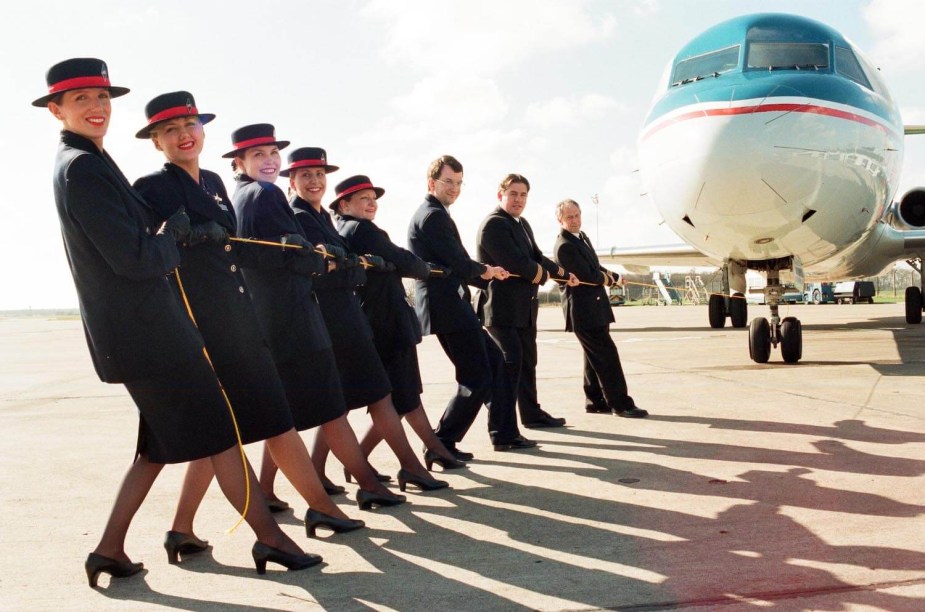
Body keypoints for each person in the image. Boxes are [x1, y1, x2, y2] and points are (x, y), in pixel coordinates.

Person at [35, 59, 320, 585]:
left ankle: (108, 549)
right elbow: (137, 259)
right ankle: (271, 538)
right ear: (56, 109)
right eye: (81, 101)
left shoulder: (88, 160)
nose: (97, 108)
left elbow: (137, 242)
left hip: (140, 333)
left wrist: (170, 233)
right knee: (219, 434)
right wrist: (175, 233)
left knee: (157, 448)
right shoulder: (81, 167)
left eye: (102, 97)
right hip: (148, 334)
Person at [133, 91, 364, 545]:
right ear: (156, 141)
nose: (184, 135)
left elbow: (233, 249)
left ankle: (181, 529)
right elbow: (148, 256)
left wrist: (295, 250)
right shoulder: (151, 188)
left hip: (237, 317)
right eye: (170, 130)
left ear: (203, 130)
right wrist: (188, 238)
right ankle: (320, 509)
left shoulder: (216, 183)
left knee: (221, 433)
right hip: (201, 325)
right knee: (271, 418)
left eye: (190, 125)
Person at [226, 125, 406, 510]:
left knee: (285, 417)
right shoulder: (265, 193)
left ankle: (268, 492)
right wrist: (321, 257)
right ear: (239, 162)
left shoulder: (243, 196)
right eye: (258, 154)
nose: (269, 159)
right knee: (330, 410)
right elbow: (303, 260)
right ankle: (366, 484)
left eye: (273, 151)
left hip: (273, 320)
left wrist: (321, 256)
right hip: (295, 318)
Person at [285, 149, 448, 493]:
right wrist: (362, 267)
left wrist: (356, 266)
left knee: (338, 406)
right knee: (375, 397)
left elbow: (349, 265)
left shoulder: (322, 219)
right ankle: (400, 471)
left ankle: (335, 473)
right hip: (341, 321)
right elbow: (323, 270)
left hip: (348, 319)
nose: (314, 181)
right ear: (292, 180)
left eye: (319, 174)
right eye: (306, 175)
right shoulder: (305, 218)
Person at [332, 174, 465, 472]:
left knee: (400, 397)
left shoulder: (346, 229)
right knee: (401, 396)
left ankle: (430, 450)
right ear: (344, 203)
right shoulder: (361, 230)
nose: (371, 204)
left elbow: (396, 259)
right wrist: (421, 268)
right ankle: (427, 454)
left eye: (373, 199)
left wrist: (398, 263)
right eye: (364, 199)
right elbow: (404, 259)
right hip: (387, 322)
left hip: (379, 320)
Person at [407, 155, 536, 455]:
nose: (454, 188)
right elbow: (458, 261)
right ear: (432, 183)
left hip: (450, 304)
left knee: (495, 364)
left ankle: (502, 433)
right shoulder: (433, 216)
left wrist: (485, 275)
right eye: (448, 182)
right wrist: (485, 271)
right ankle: (442, 442)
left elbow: (458, 264)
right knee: (477, 376)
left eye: (458, 183)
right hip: (447, 307)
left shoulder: (436, 212)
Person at [476, 174, 577, 429]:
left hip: (523, 310)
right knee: (509, 367)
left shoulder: (522, 224)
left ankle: (531, 415)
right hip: (501, 310)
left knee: (527, 363)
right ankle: (503, 428)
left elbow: (536, 256)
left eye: (523, 195)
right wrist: (543, 276)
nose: (518, 199)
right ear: (501, 195)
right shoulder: (494, 225)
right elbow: (517, 263)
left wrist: (564, 274)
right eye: (513, 194)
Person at [552, 199, 648, 418]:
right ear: (560, 220)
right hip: (583, 312)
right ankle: (621, 404)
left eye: (577, 215)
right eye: (569, 217)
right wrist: (609, 280)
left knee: (593, 356)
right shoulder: (565, 245)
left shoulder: (581, 238)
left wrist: (615, 277)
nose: (575, 220)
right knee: (607, 356)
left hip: (595, 309)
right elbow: (588, 275)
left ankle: (595, 401)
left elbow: (595, 267)